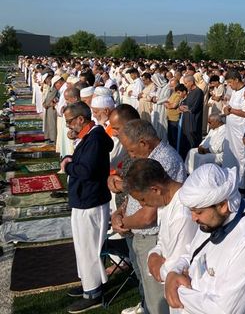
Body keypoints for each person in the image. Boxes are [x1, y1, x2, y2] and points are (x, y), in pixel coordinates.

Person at [164, 164, 245, 314]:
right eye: (191, 211)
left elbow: (225, 310)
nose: (193, 218)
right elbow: (191, 253)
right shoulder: (214, 220)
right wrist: (174, 272)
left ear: (223, 205)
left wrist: (178, 289)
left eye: (198, 212)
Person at [111, 119, 187, 314]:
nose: (130, 154)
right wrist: (121, 211)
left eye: (132, 150)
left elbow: (148, 216)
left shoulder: (164, 160)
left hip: (151, 234)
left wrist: (122, 221)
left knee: (158, 298)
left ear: (143, 143)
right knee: (148, 290)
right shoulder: (150, 157)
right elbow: (138, 195)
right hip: (146, 237)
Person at [60, 102, 114, 313]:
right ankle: (88, 283)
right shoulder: (92, 137)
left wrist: (68, 166)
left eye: (69, 122)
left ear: (80, 119)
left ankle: (92, 292)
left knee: (88, 247)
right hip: (86, 198)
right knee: (83, 246)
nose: (69, 126)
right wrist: (72, 160)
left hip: (90, 200)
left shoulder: (95, 138)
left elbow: (87, 170)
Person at [123, 159, 197, 293]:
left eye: (143, 199)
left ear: (156, 189)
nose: (142, 205)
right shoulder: (165, 204)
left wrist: (156, 268)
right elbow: (162, 241)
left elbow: (178, 265)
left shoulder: (182, 212)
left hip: (185, 290)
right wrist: (153, 256)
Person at [222, 71, 245, 187]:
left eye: (230, 82)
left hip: (240, 131)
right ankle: (228, 180)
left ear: (237, 80)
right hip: (230, 130)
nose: (229, 85)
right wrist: (227, 109)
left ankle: (240, 184)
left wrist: (230, 110)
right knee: (229, 154)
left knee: (240, 156)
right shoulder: (234, 91)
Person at [178, 75, 204, 159]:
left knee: (192, 144)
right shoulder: (191, 92)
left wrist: (185, 108)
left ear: (191, 82)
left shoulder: (198, 92)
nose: (185, 85)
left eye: (186, 83)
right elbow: (185, 104)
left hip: (193, 122)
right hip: (186, 121)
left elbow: (194, 108)